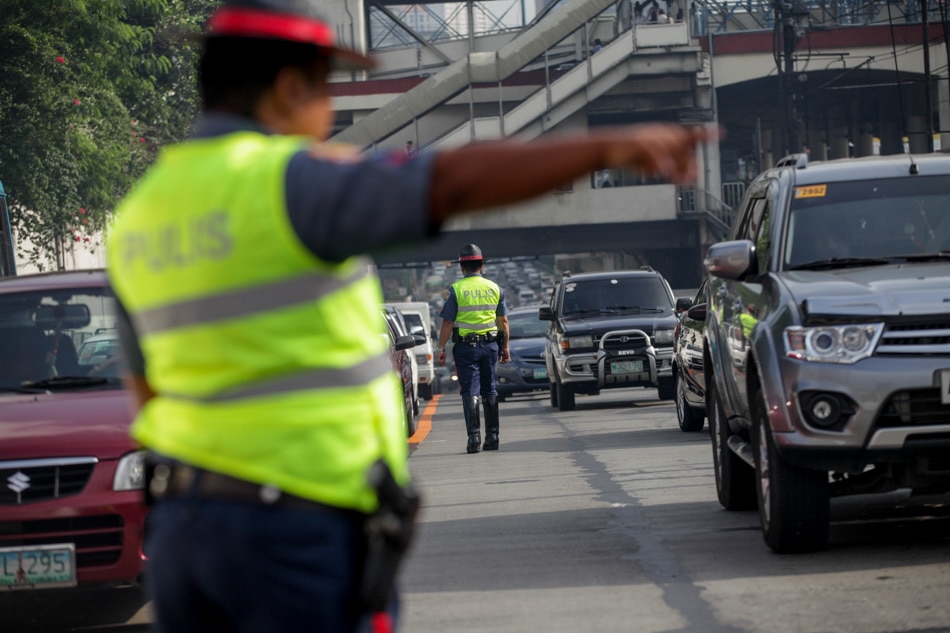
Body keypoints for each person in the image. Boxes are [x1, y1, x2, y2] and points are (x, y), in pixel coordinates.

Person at [105, 1, 716, 631]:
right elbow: (448, 180)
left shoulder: (141, 215)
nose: (326, 116)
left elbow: (147, 392)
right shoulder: (288, 183)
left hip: (185, 530)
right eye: (326, 92)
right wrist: (608, 147)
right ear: (288, 87)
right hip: (291, 531)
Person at [435, 244, 509, 453]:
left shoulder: (456, 289)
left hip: (466, 348)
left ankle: (474, 439)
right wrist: (505, 347)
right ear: (482, 265)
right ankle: (493, 437)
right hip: (491, 346)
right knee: (490, 389)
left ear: (462, 268)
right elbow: (503, 321)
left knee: (470, 391)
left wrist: (441, 348)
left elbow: (448, 323)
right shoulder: (495, 288)